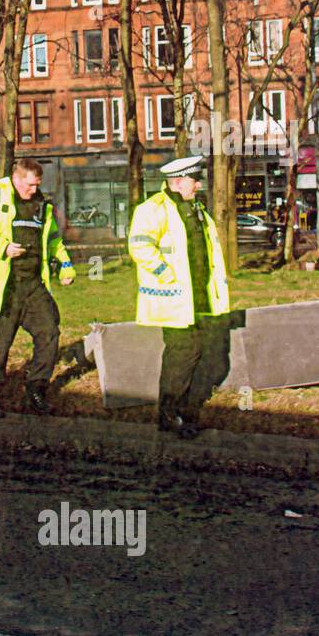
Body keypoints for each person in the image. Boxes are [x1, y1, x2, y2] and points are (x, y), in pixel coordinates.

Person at [0, 158, 75, 418]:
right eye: (31, 185)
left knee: (49, 333)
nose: (34, 190)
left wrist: (66, 266)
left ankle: (36, 391)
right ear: (17, 178)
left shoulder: (41, 204)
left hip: (33, 285)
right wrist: (2, 248)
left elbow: (54, 239)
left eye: (37, 185)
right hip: (3, 286)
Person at [127, 154, 231, 439]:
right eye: (194, 180)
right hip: (173, 299)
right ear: (180, 181)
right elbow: (139, 246)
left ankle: (184, 412)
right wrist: (166, 274)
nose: (198, 185)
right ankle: (169, 415)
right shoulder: (153, 209)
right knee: (181, 356)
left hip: (197, 299)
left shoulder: (195, 209)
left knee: (193, 354)